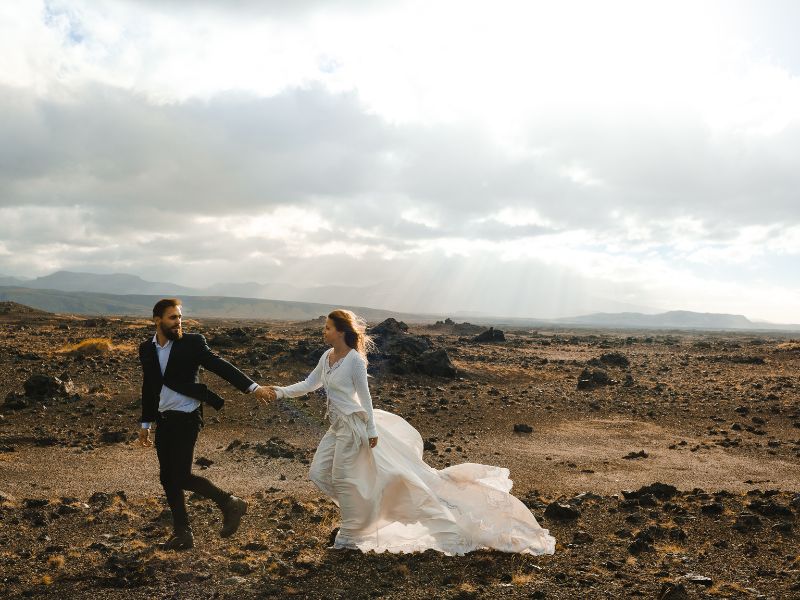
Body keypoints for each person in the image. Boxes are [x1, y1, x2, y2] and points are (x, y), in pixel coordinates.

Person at [259, 309, 556, 555]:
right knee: (320, 474)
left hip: (355, 428)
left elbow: (365, 397)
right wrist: (279, 392)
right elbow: (310, 384)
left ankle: (348, 539)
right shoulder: (327, 357)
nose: (323, 331)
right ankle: (368, 511)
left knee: (343, 479)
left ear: (341, 331)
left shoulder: (354, 361)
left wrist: (372, 429)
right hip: (337, 428)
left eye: (327, 328)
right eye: (324, 327)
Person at [137, 298, 273, 550]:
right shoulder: (146, 349)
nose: (178, 322)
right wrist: (146, 423)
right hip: (164, 418)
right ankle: (183, 533)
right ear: (157, 320)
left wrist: (252, 388)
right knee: (167, 478)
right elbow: (149, 387)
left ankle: (228, 502)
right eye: (172, 317)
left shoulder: (192, 343)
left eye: (179, 317)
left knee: (180, 475)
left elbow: (219, 366)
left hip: (187, 416)